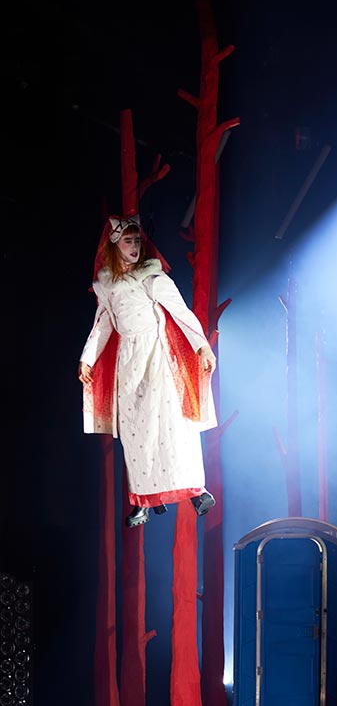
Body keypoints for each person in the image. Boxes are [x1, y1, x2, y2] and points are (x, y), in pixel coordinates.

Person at [78, 215, 218, 527]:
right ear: (115, 245)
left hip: (156, 355)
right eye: (128, 241)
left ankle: (196, 491)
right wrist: (87, 359)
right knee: (135, 431)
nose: (134, 246)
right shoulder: (107, 285)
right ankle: (142, 499)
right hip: (128, 361)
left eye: (137, 240)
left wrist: (202, 346)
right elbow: (103, 324)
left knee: (170, 424)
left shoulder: (152, 278)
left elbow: (181, 313)